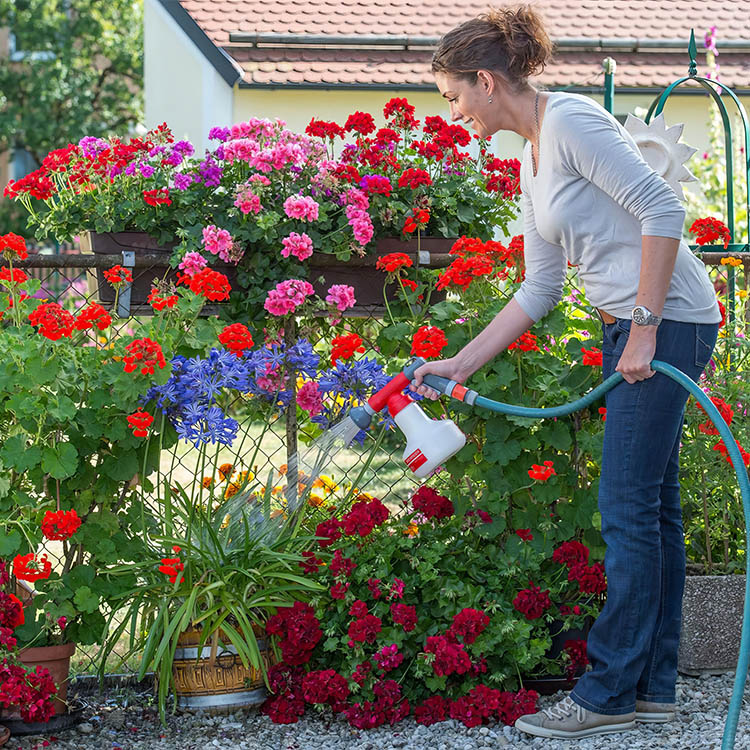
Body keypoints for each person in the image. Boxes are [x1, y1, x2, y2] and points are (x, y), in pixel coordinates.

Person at [411, 3, 721, 741]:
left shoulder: (574, 123)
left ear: (487, 81)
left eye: (455, 97)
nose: (457, 115)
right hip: (636, 327)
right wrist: (461, 361)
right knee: (653, 509)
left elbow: (662, 208)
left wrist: (643, 330)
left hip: (667, 321)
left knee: (624, 509)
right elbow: (538, 288)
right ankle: (653, 689)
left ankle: (608, 694)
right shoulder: (532, 153)